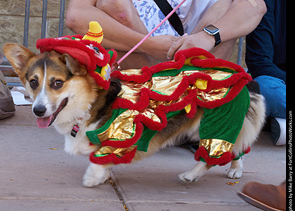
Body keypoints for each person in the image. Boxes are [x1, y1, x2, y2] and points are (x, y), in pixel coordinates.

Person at [65, 0, 266, 69]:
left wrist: (207, 37)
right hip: (143, 65)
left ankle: (196, 110)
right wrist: (148, 45)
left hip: (197, 64)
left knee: (228, 7)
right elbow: (76, 16)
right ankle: (153, 104)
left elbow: (254, 7)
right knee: (111, 4)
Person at [245, 0, 286, 146]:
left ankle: (283, 124)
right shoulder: (267, 3)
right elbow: (259, 63)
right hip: (278, 82)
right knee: (265, 89)